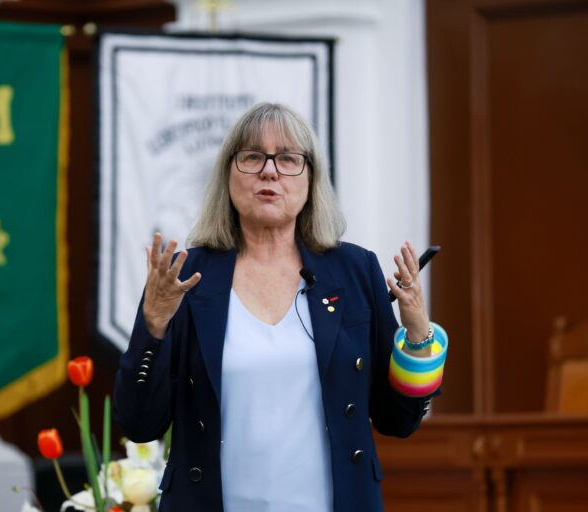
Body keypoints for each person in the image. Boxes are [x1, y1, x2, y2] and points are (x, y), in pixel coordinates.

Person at [113, 103, 448, 512]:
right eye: (252, 157)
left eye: (288, 158)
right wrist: (153, 325)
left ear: (311, 180)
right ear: (227, 176)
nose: (269, 171)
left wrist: (417, 336)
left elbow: (399, 421)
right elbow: (139, 423)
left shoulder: (355, 270)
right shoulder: (187, 276)